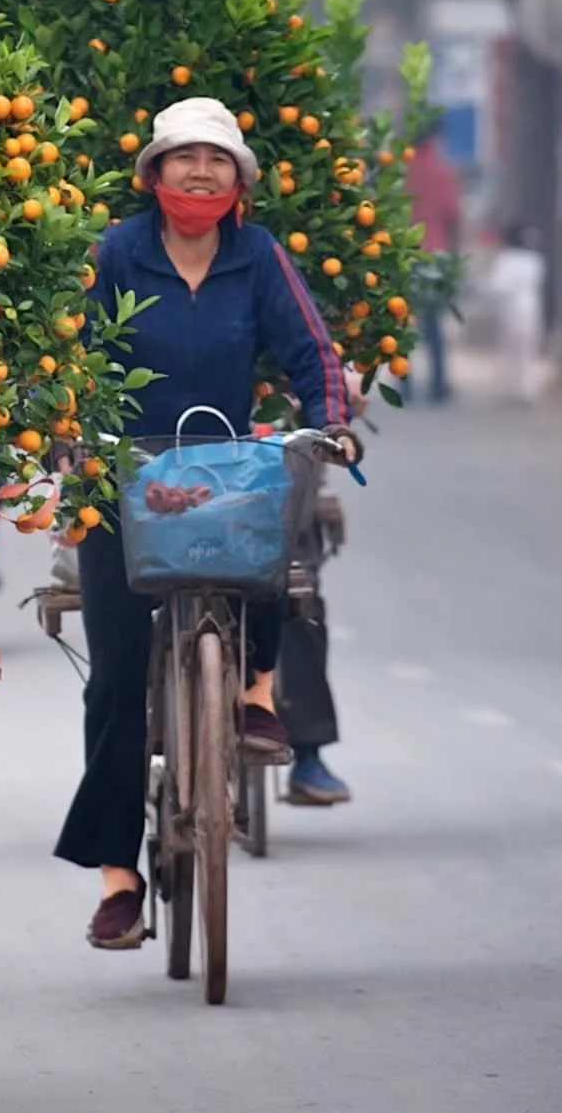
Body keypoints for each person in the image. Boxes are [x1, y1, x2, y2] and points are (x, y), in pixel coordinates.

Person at [54, 97, 357, 950]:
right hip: (124, 478)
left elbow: (312, 351)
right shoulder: (114, 251)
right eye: (183, 158)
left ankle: (257, 690)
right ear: (153, 176)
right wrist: (70, 429)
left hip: (223, 469)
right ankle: (120, 879)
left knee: (274, 533)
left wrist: (328, 419)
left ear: (240, 183)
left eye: (216, 160)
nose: (199, 172)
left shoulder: (257, 256)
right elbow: (66, 344)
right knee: (114, 678)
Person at [279, 365, 369, 807]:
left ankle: (308, 753)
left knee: (299, 599)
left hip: (282, 428)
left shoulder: (286, 296)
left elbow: (319, 352)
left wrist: (345, 385)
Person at [406, 128, 463, 404]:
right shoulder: (443, 171)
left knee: (405, 323)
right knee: (434, 324)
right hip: (436, 255)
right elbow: (454, 215)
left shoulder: (403, 172)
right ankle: (438, 385)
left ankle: (404, 384)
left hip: (406, 255)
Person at [488, 224, 547, 405]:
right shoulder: (535, 260)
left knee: (510, 351)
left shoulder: (506, 260)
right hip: (532, 309)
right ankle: (527, 390)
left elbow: (497, 286)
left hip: (510, 310)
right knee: (528, 351)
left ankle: (511, 388)